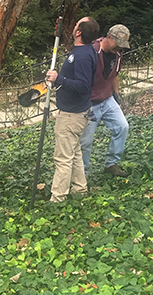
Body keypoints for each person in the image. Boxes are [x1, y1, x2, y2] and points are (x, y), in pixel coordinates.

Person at [46, 16, 100, 202]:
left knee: (63, 158)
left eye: (77, 23)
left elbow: (84, 86)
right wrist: (59, 78)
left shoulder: (83, 55)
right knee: (74, 152)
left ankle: (58, 198)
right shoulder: (84, 51)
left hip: (72, 114)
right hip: (77, 112)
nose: (74, 24)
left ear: (78, 32)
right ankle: (80, 189)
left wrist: (58, 79)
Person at [80, 25, 130, 177]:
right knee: (86, 142)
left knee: (122, 127)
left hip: (107, 99)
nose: (119, 49)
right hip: (90, 103)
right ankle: (82, 173)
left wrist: (116, 93)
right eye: (118, 45)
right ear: (109, 37)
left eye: (122, 46)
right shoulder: (92, 51)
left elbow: (115, 75)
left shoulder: (118, 55)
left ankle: (111, 164)